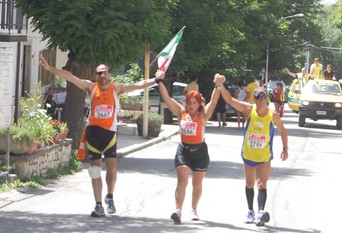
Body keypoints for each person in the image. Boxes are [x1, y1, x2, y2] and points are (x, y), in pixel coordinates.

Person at [39, 53, 158, 218]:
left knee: (111, 168)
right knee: (94, 169)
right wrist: (49, 68)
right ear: (96, 76)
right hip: (93, 133)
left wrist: (156, 80)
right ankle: (98, 205)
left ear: (110, 74)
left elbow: (138, 85)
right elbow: (70, 77)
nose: (101, 76)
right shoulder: (90, 87)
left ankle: (109, 196)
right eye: (98, 73)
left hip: (109, 134)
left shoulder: (117, 89)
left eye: (104, 72)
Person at [217, 77, 289, 227]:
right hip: (249, 154)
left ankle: (261, 212)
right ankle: (250, 211)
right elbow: (230, 100)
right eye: (257, 97)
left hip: (264, 156)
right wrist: (221, 85)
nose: (260, 100)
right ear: (254, 99)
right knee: (250, 182)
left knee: (262, 184)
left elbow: (282, 131)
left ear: (267, 99)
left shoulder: (272, 115)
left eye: (263, 97)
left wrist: (285, 148)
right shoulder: (249, 110)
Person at [154, 69, 220, 223]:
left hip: (200, 152)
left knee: (197, 183)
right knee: (182, 180)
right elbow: (167, 98)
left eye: (194, 103)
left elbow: (213, 102)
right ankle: (177, 211)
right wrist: (159, 81)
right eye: (189, 102)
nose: (190, 106)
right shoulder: (181, 112)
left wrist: (218, 86)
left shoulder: (202, 116)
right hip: (183, 150)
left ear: (198, 104)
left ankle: (194, 210)